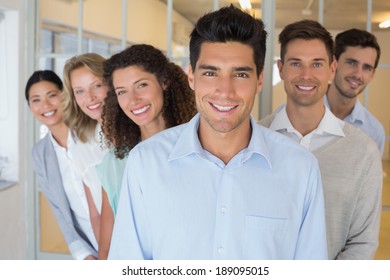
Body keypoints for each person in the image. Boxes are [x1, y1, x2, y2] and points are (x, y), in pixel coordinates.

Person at [109, 5, 327, 260]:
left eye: (241, 73)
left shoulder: (301, 168)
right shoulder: (146, 162)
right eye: (211, 73)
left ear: (259, 80)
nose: (225, 91)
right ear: (191, 77)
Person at [259, 20, 382, 259]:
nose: (306, 75)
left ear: (332, 69)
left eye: (317, 64)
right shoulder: (254, 138)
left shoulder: (364, 151)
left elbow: (363, 242)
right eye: (296, 64)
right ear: (281, 69)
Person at [96, 44, 197, 259]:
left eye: (141, 85)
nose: (133, 99)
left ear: (164, 82)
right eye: (122, 91)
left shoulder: (200, 147)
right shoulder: (114, 163)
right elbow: (107, 250)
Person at [26, 70, 98, 259]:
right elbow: (59, 210)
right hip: (91, 249)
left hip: (124, 240)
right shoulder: (39, 154)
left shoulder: (92, 133)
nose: (46, 105)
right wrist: (83, 255)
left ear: (64, 95)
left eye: (52, 96)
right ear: (30, 106)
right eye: (36, 100)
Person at [62, 53, 109, 250]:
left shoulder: (137, 131)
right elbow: (95, 213)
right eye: (79, 91)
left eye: (96, 86)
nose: (90, 98)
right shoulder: (78, 143)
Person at [326, 28, 385, 155]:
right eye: (351, 63)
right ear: (333, 63)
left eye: (367, 68)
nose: (358, 74)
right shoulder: (296, 114)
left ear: (372, 74)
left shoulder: (374, 132)